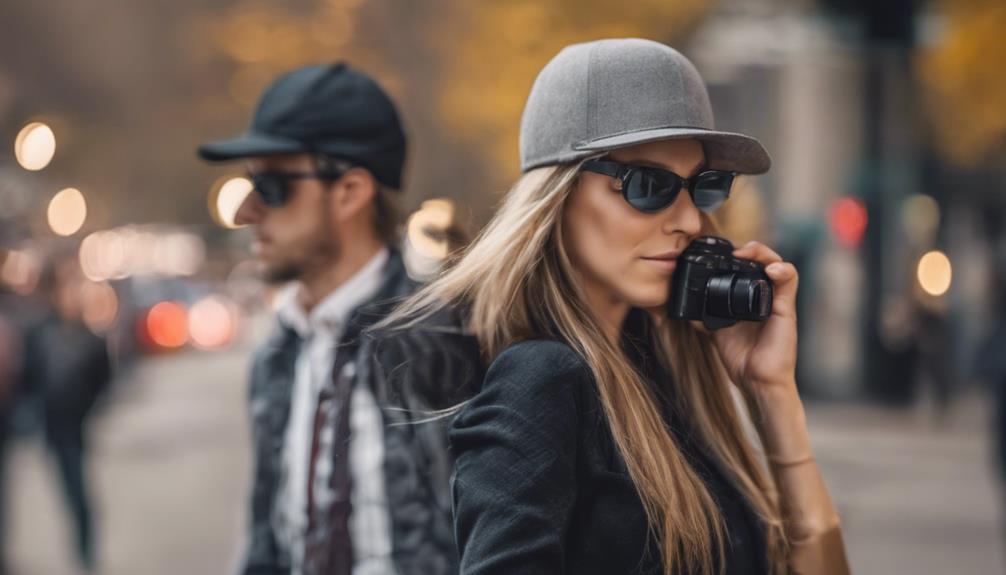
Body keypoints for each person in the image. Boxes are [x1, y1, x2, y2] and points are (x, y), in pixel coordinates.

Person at [386, 39, 849, 574]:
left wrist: (773, 393)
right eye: (649, 185)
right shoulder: (539, 381)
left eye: (705, 188)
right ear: (558, 198)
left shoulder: (664, 375)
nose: (691, 222)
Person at [198, 63, 429, 575]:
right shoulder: (276, 357)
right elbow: (267, 545)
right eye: (248, 184)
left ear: (350, 191)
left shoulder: (451, 341)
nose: (245, 212)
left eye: (272, 186)